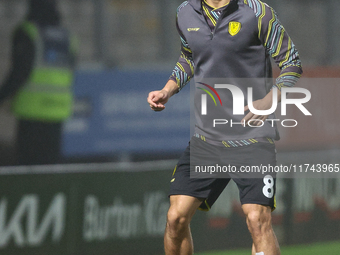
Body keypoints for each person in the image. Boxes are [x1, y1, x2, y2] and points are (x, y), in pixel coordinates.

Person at [147, 0, 302, 254]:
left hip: (252, 138)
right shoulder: (185, 12)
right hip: (207, 140)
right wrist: (167, 89)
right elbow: (188, 57)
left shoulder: (258, 12)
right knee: (176, 218)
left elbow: (292, 63)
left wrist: (268, 100)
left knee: (257, 220)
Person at [0, 0, 77, 165]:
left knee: (28, 170)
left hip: (32, 111)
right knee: (49, 170)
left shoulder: (28, 32)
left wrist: (2, 96)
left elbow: (19, 72)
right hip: (57, 110)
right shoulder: (67, 37)